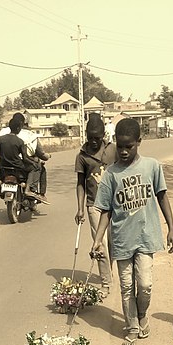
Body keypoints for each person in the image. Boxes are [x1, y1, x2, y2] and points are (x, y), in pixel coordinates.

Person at [90, 118, 173, 345]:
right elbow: (106, 211)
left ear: (139, 142)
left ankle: (142, 314)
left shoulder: (152, 166)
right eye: (120, 146)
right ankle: (131, 326)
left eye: (130, 146)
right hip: (122, 239)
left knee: (145, 284)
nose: (124, 151)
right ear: (115, 143)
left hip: (147, 236)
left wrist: (171, 228)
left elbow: (162, 196)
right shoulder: (110, 174)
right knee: (127, 286)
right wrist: (98, 240)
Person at [75, 113, 116, 297]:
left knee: (115, 243)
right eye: (90, 138)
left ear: (103, 135)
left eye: (97, 138)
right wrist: (80, 208)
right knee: (100, 245)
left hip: (116, 204)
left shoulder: (113, 150)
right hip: (94, 206)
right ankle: (105, 282)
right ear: (86, 135)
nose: (93, 142)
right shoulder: (82, 156)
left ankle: (113, 272)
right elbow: (80, 183)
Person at [0, 113, 50, 204]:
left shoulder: (2, 136)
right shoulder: (27, 137)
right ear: (20, 125)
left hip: (4, 165)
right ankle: (30, 189)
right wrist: (33, 162)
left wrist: (2, 158)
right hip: (18, 166)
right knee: (37, 167)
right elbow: (26, 157)